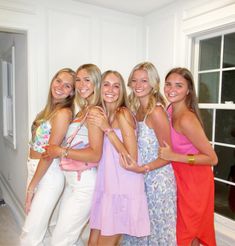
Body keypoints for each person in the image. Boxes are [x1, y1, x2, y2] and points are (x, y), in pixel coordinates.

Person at [43, 64, 104, 246]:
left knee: (60, 240)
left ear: (96, 83)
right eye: (78, 80)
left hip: (83, 184)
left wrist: (61, 151)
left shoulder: (93, 112)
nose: (81, 84)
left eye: (87, 80)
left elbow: (95, 155)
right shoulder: (84, 110)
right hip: (73, 182)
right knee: (69, 237)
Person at [88, 70, 150, 246]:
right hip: (107, 184)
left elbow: (131, 158)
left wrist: (107, 129)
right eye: (106, 84)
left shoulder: (122, 113)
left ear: (122, 90)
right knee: (93, 240)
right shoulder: (104, 113)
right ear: (100, 88)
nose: (111, 90)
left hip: (123, 185)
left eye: (116, 86)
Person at [159, 67, 218, 246]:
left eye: (178, 85)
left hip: (195, 183)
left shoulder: (186, 119)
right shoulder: (169, 109)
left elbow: (212, 158)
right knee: (185, 232)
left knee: (188, 232)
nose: (171, 89)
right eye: (168, 84)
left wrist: (174, 156)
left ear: (188, 90)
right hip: (179, 179)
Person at [121, 62, 177, 245]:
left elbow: (168, 155)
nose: (138, 85)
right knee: (138, 230)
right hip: (140, 178)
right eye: (135, 80)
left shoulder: (157, 112)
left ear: (153, 83)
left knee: (156, 233)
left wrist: (143, 168)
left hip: (157, 182)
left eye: (144, 81)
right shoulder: (136, 109)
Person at [20, 68, 76, 245]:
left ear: (72, 92)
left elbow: (49, 154)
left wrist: (31, 186)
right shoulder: (49, 110)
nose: (60, 87)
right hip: (36, 168)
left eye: (67, 85)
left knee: (30, 232)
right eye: (58, 81)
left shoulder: (63, 113)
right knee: (39, 228)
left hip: (48, 173)